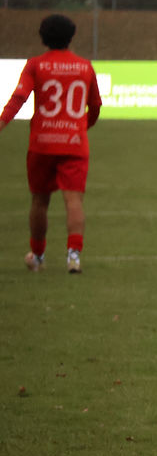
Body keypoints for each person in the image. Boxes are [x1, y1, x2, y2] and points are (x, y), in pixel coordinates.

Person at [0, 14, 101, 274]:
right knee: (73, 200)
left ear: (42, 37)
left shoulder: (36, 65)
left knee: (39, 201)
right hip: (74, 143)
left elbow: (19, 97)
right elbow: (96, 106)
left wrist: (1, 123)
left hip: (42, 143)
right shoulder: (84, 67)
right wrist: (81, 127)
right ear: (71, 37)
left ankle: (38, 256)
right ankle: (74, 257)